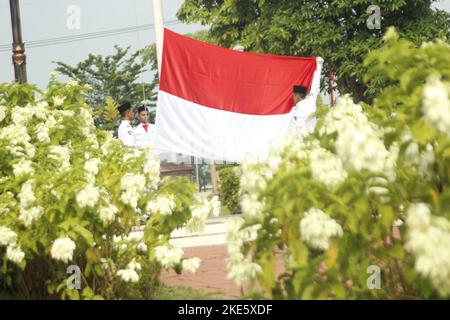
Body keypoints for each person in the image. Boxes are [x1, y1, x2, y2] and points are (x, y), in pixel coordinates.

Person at [291, 59, 323, 136]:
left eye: (293, 95)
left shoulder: (295, 110)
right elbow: (316, 85)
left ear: (297, 95)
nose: (293, 98)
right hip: (314, 139)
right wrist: (319, 65)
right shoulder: (311, 101)